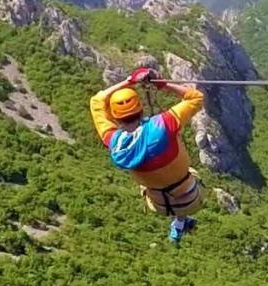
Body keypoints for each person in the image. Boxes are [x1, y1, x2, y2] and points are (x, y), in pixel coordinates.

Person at [89, 66, 207, 242]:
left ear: (115, 116)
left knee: (153, 181)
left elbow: (97, 102)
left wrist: (130, 81)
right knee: (189, 173)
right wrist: (162, 84)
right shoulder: (164, 124)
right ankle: (180, 222)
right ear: (141, 109)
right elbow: (196, 97)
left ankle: (178, 225)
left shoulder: (113, 141)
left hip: (158, 204)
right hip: (191, 199)